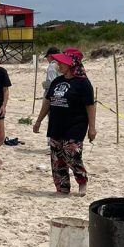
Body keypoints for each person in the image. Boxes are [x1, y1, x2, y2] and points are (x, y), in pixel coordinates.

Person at [32, 51, 96, 195]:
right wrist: (38, 121)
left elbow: (90, 106)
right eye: (59, 62)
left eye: (62, 62)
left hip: (76, 124)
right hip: (56, 124)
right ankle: (63, 187)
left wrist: (92, 128)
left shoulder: (83, 83)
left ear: (72, 63)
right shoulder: (57, 81)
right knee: (57, 158)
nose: (59, 64)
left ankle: (82, 181)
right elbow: (47, 102)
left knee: (71, 152)